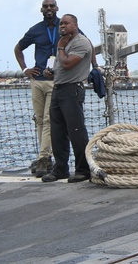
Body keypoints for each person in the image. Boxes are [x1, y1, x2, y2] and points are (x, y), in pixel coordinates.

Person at [42, 14, 93, 183]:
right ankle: (60, 169)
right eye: (61, 24)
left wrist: (61, 48)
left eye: (66, 23)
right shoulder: (64, 43)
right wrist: (50, 73)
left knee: (76, 131)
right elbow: (60, 67)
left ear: (75, 25)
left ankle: (83, 169)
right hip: (58, 89)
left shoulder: (81, 42)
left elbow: (68, 63)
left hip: (72, 90)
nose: (62, 26)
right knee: (57, 132)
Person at [13, 0, 61, 177]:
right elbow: (18, 49)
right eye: (45, 6)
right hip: (37, 80)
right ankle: (47, 158)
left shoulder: (64, 26)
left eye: (51, 6)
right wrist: (25, 69)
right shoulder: (35, 30)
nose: (48, 9)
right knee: (40, 119)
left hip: (55, 81)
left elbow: (84, 44)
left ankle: (43, 158)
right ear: (41, 10)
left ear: (57, 8)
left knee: (49, 119)